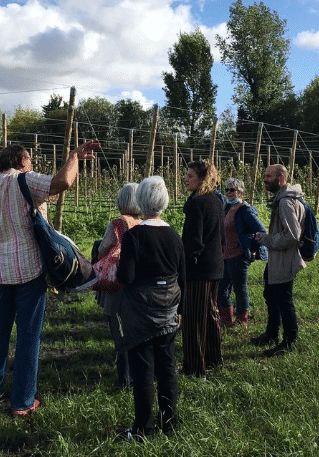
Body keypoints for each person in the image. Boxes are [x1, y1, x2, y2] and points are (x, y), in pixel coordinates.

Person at [0, 140, 100, 416]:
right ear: (22, 161)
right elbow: (63, 183)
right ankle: (23, 401)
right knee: (28, 335)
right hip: (28, 270)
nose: (32, 165)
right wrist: (74, 155)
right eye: (31, 161)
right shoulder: (26, 179)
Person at [115, 176, 185, 441]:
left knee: (143, 371)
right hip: (169, 308)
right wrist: (181, 310)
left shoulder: (135, 236)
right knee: (167, 367)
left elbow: (126, 277)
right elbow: (183, 276)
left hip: (141, 312)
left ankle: (144, 427)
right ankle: (170, 422)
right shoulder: (174, 235)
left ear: (141, 201)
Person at [252, 164, 306, 357]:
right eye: (264, 175)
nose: (265, 179)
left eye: (268, 176)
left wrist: (267, 239)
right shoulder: (284, 199)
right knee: (271, 295)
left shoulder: (285, 202)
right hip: (277, 259)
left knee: (284, 300)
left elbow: (292, 235)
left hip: (284, 259)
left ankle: (289, 341)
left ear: (281, 178)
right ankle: (271, 334)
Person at [93, 183, 142, 388]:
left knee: (119, 329)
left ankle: (125, 377)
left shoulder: (117, 224)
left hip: (117, 282)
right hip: (137, 281)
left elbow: (104, 247)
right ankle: (140, 373)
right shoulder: (143, 223)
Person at [181, 159, 225, 377]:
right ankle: (214, 358)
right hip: (216, 266)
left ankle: (194, 368)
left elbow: (193, 243)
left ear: (202, 179)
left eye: (190, 176)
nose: (186, 179)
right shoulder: (216, 201)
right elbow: (221, 237)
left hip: (199, 270)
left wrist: (185, 267)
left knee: (193, 320)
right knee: (210, 314)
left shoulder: (198, 204)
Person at [218, 178, 268, 329]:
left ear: (240, 192)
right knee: (222, 288)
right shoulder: (226, 208)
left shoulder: (245, 211)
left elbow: (261, 230)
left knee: (240, 289)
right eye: (226, 189)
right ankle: (226, 318)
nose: (228, 192)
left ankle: (241, 320)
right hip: (224, 255)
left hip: (238, 256)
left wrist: (252, 248)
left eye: (232, 190)